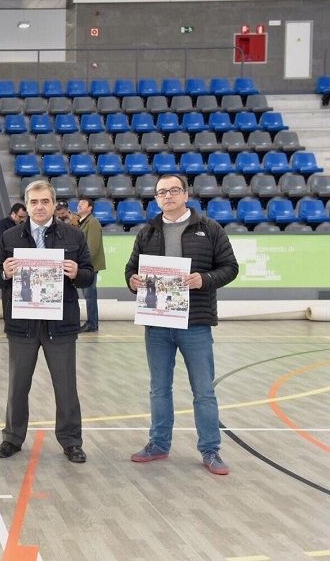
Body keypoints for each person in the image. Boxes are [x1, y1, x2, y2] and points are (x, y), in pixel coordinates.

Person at [125, 174, 239, 475]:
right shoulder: (148, 231)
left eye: (174, 190)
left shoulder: (209, 228)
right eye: (162, 192)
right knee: (159, 388)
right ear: (156, 198)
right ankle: (159, 444)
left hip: (196, 323)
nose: (168, 196)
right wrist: (133, 281)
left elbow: (230, 268)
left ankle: (211, 450)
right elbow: (131, 269)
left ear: (185, 195)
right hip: (157, 322)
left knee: (203, 390)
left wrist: (205, 279)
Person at [0, 179, 94, 463]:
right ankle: (12, 438)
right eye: (34, 202)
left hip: (60, 324)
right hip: (22, 324)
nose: (39, 207)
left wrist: (77, 273)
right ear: (27, 205)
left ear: (53, 204)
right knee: (18, 385)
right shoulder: (10, 237)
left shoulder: (73, 236)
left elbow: (89, 274)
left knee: (66, 386)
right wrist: (6, 274)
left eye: (45, 201)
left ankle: (71, 440)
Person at [77, 197, 105, 332]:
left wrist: (83, 263)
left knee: (90, 295)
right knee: (88, 295)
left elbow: (92, 248)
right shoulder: (81, 222)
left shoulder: (92, 223)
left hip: (90, 266)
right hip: (84, 265)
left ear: (90, 208)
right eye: (79, 203)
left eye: (83, 203)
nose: (79, 205)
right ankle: (91, 322)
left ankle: (92, 323)